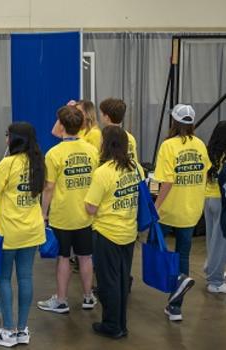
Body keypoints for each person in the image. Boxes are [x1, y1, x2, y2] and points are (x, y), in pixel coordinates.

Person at [0, 122, 45, 347]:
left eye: (7, 135)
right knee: (26, 277)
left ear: (14, 139)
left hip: (8, 231)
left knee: (3, 278)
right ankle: (22, 330)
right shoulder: (39, 162)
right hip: (32, 229)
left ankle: (8, 330)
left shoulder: (7, 164)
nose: (5, 139)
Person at [37, 105, 99, 314]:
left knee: (63, 257)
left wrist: (43, 213)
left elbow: (49, 188)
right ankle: (88, 297)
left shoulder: (54, 153)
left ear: (61, 126)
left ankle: (62, 300)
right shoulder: (92, 151)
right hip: (86, 215)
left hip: (63, 215)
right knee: (85, 257)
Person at [84, 125, 143, 339]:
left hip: (107, 233)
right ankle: (122, 324)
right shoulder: (136, 167)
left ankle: (112, 325)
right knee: (121, 280)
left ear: (105, 144)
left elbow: (90, 207)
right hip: (129, 231)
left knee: (108, 282)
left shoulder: (103, 172)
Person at [154, 104, 211, 321]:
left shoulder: (168, 146)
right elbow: (205, 174)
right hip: (191, 210)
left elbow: (167, 182)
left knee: (157, 249)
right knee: (183, 254)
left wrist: (155, 207)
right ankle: (176, 306)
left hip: (169, 210)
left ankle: (170, 280)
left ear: (174, 122)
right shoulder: (200, 145)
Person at [204, 121, 226, 293]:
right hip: (221, 201)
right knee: (220, 242)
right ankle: (215, 281)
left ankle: (210, 269)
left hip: (208, 198)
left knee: (212, 239)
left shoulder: (208, 152)